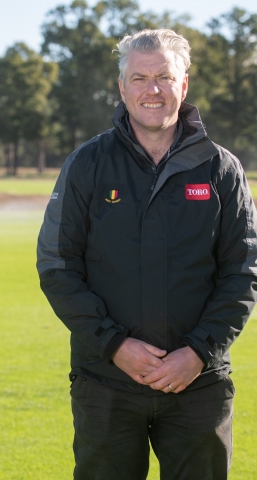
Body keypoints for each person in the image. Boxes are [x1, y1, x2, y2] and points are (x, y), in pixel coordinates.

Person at [36, 28, 257, 480]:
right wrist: (114, 345)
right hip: (106, 383)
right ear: (122, 88)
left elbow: (243, 272)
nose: (151, 89)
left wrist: (197, 352)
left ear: (184, 83)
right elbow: (57, 266)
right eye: (139, 78)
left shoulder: (222, 170)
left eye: (163, 76)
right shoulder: (87, 164)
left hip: (199, 385)